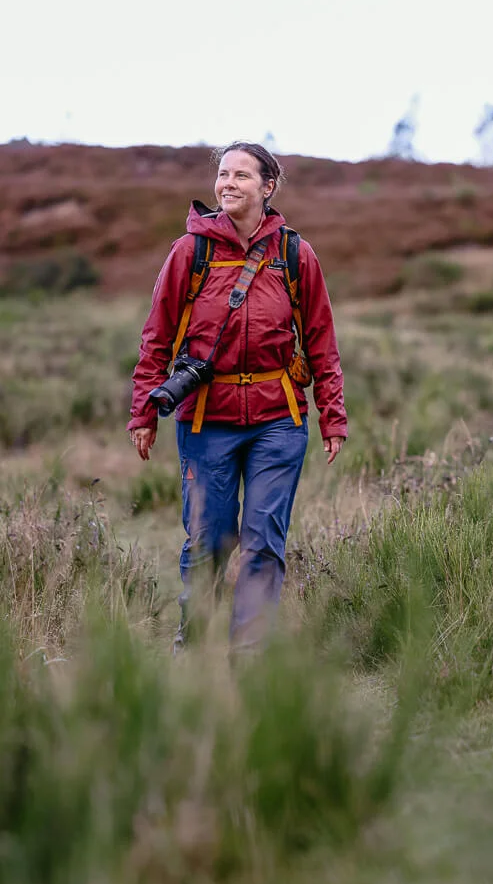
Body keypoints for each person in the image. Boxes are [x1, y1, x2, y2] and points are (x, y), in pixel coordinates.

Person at [127, 141, 347, 653]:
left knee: (264, 542)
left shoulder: (294, 253)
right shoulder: (191, 251)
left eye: (241, 175)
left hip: (279, 420)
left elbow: (321, 340)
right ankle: (197, 647)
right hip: (207, 419)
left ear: (267, 187)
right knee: (210, 542)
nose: (227, 183)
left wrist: (332, 416)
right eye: (223, 174)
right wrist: (144, 412)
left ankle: (249, 659)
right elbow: (156, 336)